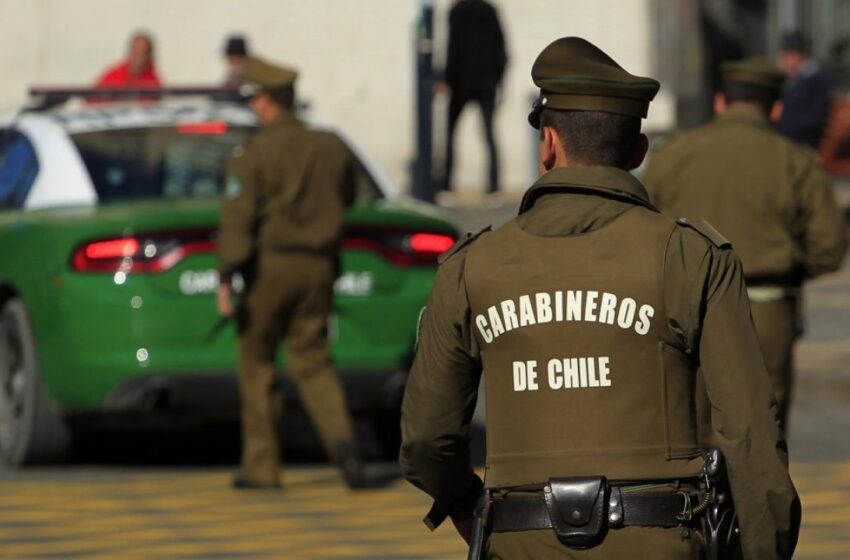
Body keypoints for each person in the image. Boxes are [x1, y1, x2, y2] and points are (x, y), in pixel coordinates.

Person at [400, 37, 800, 559]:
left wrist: (470, 507)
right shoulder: (689, 255)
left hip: (523, 541)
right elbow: (749, 432)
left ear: (548, 144)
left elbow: (426, 439)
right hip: (663, 541)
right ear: (637, 152)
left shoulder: (471, 267)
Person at [644, 57, 848, 432]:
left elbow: (641, 229)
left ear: (720, 102)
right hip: (766, 310)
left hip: (687, 309)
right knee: (760, 435)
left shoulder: (671, 155)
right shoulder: (795, 161)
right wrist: (788, 265)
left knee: (692, 434)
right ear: (776, 108)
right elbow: (829, 248)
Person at [216, 55, 367, 490]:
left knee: (258, 361)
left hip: (271, 267)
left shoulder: (254, 153)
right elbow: (350, 196)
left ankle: (262, 468)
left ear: (266, 102)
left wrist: (227, 276)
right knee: (314, 360)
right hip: (320, 267)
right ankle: (344, 447)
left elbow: (238, 222)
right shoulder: (330, 144)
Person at [439, 0, 507, 195]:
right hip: (486, 83)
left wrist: (446, 79)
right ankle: (493, 186)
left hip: (461, 82)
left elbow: (453, 47)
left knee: (451, 134)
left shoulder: (456, 12)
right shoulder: (490, 10)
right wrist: (499, 81)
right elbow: (502, 49)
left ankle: (446, 185)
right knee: (489, 134)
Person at [775, 31, 832, 147]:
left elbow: (813, 119)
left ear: (800, 55)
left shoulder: (814, 79)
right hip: (789, 136)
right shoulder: (793, 79)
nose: (785, 62)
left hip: (803, 141)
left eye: (788, 56)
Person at [95, 32, 161, 88]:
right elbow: (92, 97)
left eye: (142, 54)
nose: (139, 60)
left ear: (149, 56)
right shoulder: (113, 75)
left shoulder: (154, 84)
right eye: (136, 53)